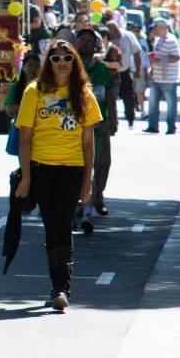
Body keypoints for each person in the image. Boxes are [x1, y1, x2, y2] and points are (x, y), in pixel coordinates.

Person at [14, 39, 100, 312]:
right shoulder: (33, 92)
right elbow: (24, 138)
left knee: (63, 225)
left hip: (72, 169)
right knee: (53, 226)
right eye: (56, 58)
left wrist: (88, 182)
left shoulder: (84, 94)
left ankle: (61, 288)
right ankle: (58, 286)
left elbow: (89, 143)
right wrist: (26, 178)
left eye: (67, 58)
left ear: (74, 63)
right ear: (47, 63)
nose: (62, 63)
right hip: (42, 169)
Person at [75, 29, 114, 228]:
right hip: (76, 125)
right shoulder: (71, 67)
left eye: (90, 41)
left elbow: (109, 95)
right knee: (80, 165)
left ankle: (98, 195)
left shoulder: (101, 69)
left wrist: (113, 119)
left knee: (103, 162)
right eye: (82, 40)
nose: (85, 44)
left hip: (100, 124)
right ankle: (80, 201)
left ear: (96, 46)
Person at [145, 19, 180, 134]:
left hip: (169, 78)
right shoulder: (158, 40)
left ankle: (171, 127)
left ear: (162, 28)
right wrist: (152, 68)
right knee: (153, 103)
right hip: (157, 76)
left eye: (155, 27)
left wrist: (161, 60)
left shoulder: (172, 40)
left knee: (170, 104)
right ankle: (153, 126)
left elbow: (176, 57)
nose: (154, 30)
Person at [106, 21, 142, 130]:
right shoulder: (106, 39)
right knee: (111, 98)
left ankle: (130, 118)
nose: (114, 35)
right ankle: (113, 122)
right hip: (110, 72)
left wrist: (138, 70)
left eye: (115, 32)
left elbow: (137, 53)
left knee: (128, 97)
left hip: (125, 71)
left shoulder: (128, 36)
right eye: (112, 33)